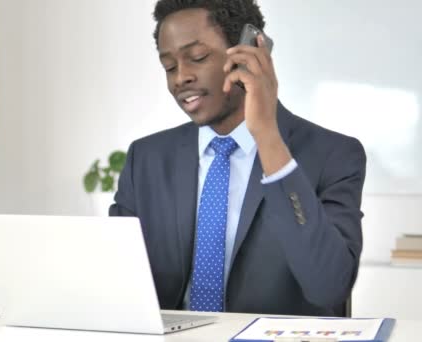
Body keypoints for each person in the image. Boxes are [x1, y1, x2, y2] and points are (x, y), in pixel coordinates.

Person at [109, 0, 366, 317]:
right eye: (169, 67)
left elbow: (329, 286)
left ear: (249, 53)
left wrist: (268, 137)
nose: (181, 78)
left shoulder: (334, 155)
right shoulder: (146, 159)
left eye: (198, 57)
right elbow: (115, 280)